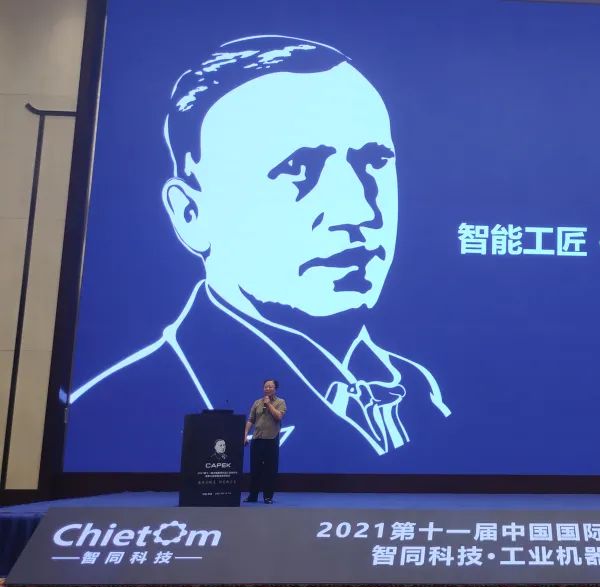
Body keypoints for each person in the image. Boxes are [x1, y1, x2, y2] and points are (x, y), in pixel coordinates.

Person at [65, 35, 451, 473]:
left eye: (374, 162)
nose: (359, 211)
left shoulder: (416, 388)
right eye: (299, 169)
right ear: (191, 213)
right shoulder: (122, 407)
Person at [245, 379, 286, 503]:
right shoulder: (257, 402)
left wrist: (269, 404)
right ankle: (252, 496)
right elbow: (251, 420)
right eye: (266, 387)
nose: (267, 389)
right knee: (255, 469)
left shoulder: (280, 402)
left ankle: (268, 496)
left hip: (271, 439)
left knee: (270, 469)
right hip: (257, 439)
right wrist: (245, 434)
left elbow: (278, 416)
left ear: (275, 389)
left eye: (270, 387)